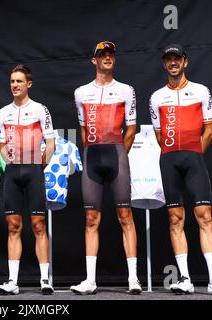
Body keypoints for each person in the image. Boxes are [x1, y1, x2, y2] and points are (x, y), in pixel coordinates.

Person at [149, 44, 212, 295]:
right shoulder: (156, 97)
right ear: (165, 64)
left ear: (185, 62)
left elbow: (209, 130)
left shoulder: (201, 91)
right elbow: (159, 134)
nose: (173, 62)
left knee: (204, 215)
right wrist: (174, 153)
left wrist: (194, 154)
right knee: (175, 219)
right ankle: (185, 279)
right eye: (168, 59)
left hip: (194, 158)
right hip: (169, 160)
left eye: (177, 58)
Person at [71, 41, 142, 295]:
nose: (108, 57)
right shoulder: (80, 93)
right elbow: (82, 129)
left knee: (126, 217)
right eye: (102, 54)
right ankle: (90, 280)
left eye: (111, 54)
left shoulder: (126, 90)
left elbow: (132, 127)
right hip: (92, 154)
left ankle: (133, 279)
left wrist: (119, 153)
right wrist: (91, 150)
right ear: (94, 60)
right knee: (91, 219)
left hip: (116, 153)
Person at [0, 64, 55, 295]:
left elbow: (51, 144)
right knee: (13, 227)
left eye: (19, 81)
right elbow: (1, 145)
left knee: (39, 225)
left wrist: (38, 167)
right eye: (12, 81)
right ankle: (12, 282)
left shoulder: (40, 109)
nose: (15, 85)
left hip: (34, 171)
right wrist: (10, 163)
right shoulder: (2, 113)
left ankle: (44, 279)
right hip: (12, 172)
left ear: (28, 84)